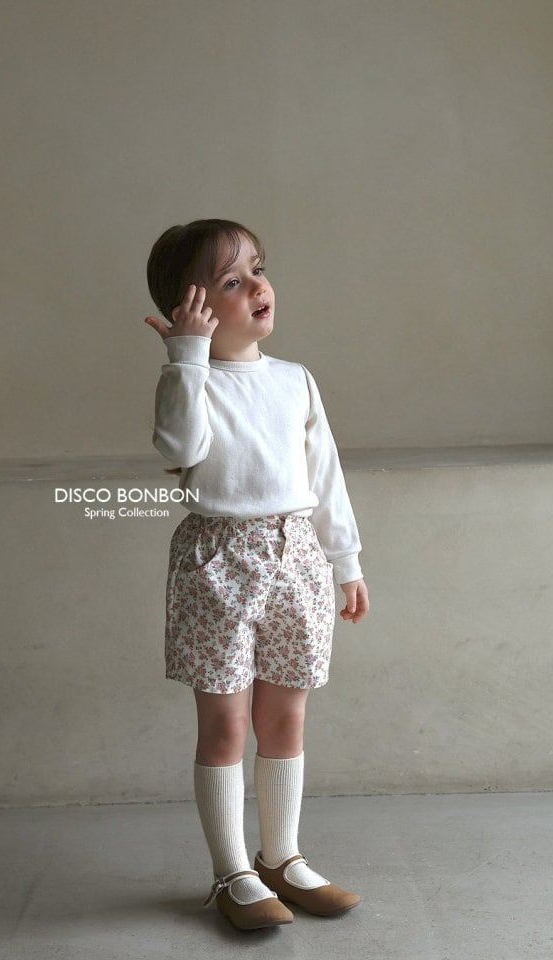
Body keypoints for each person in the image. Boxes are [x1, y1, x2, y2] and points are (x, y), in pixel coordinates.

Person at [144, 219, 369, 931]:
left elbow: (325, 476)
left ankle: (281, 858)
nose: (257, 287)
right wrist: (186, 356)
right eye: (232, 280)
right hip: (217, 563)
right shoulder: (190, 381)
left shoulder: (295, 380)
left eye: (259, 270)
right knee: (226, 725)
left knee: (286, 716)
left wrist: (346, 561)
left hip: (296, 558)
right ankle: (232, 872)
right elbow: (177, 449)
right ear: (193, 306)